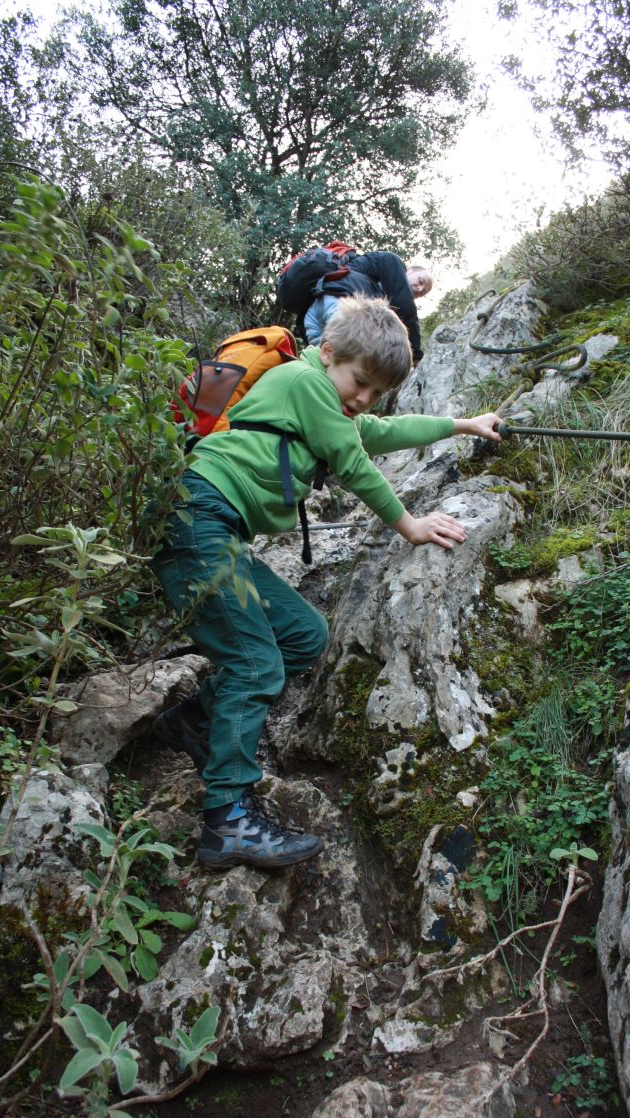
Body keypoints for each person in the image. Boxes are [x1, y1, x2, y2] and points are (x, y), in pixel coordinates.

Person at [152, 296, 501, 873]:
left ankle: (193, 721)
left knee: (305, 636)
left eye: (373, 391)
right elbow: (353, 458)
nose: (362, 398)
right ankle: (227, 818)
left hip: (221, 534)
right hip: (197, 522)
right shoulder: (305, 381)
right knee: (255, 664)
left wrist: (463, 423)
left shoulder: (327, 398)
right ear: (328, 351)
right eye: (359, 381)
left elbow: (379, 431)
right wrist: (409, 525)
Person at [303, 253, 433, 362]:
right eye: (421, 281)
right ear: (409, 270)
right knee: (349, 359)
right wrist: (416, 355)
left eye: (423, 292)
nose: (419, 288)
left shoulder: (379, 284)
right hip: (338, 304)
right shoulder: (392, 261)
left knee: (321, 362)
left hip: (315, 313)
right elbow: (406, 306)